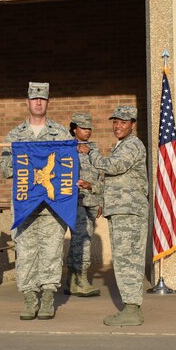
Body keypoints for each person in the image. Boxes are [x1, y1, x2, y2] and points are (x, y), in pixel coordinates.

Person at [0, 82, 72, 320]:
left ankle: (48, 298)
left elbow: (69, 167)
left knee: (51, 252)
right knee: (26, 254)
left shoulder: (61, 134)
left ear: (48, 102)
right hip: (25, 206)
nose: (38, 102)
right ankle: (30, 299)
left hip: (53, 206)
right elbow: (4, 169)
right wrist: (19, 162)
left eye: (43, 99)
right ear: (27, 102)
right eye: (34, 99)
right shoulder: (15, 135)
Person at [77, 105, 148, 326]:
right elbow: (116, 182)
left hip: (129, 212)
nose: (118, 126)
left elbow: (113, 167)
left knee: (128, 261)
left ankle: (132, 309)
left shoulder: (132, 146)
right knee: (123, 259)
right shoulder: (122, 146)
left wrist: (91, 152)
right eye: (115, 122)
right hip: (121, 210)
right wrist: (92, 186)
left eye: (123, 122)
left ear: (133, 125)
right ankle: (130, 307)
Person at [65, 112, 103, 297]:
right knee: (83, 239)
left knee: (79, 240)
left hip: (91, 200)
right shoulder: (66, 148)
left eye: (89, 128)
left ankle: (72, 281)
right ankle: (81, 279)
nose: (87, 131)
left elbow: (101, 174)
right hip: (75, 201)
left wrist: (100, 199)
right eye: (83, 128)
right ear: (74, 129)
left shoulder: (93, 148)